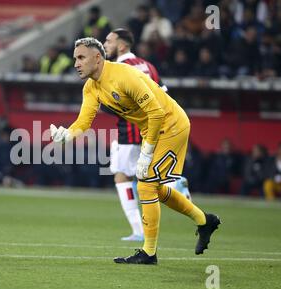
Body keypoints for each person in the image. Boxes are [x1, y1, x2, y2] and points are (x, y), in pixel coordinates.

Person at [50, 37, 221, 265]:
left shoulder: (124, 76)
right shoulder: (91, 87)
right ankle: (204, 220)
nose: (76, 64)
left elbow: (157, 113)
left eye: (81, 57)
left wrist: (147, 153)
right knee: (153, 188)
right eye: (75, 59)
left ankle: (149, 253)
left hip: (171, 126)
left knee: (146, 184)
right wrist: (67, 135)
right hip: (152, 130)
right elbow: (84, 121)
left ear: (97, 57)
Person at [103, 28, 170, 242]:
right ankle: (181, 189)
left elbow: (116, 102)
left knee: (122, 175)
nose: (105, 44)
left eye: (109, 41)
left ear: (122, 45)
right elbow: (164, 95)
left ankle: (138, 230)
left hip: (130, 131)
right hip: (155, 130)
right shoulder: (148, 65)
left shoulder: (118, 69)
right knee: (150, 177)